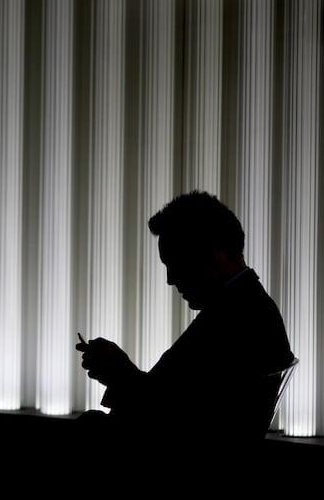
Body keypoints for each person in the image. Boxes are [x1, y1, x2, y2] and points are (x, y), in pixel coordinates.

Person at [75, 191, 294, 468]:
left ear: (213, 254)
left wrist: (120, 372)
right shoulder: (245, 308)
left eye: (176, 264)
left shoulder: (232, 320)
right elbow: (178, 402)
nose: (169, 280)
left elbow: (173, 420)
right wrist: (121, 372)